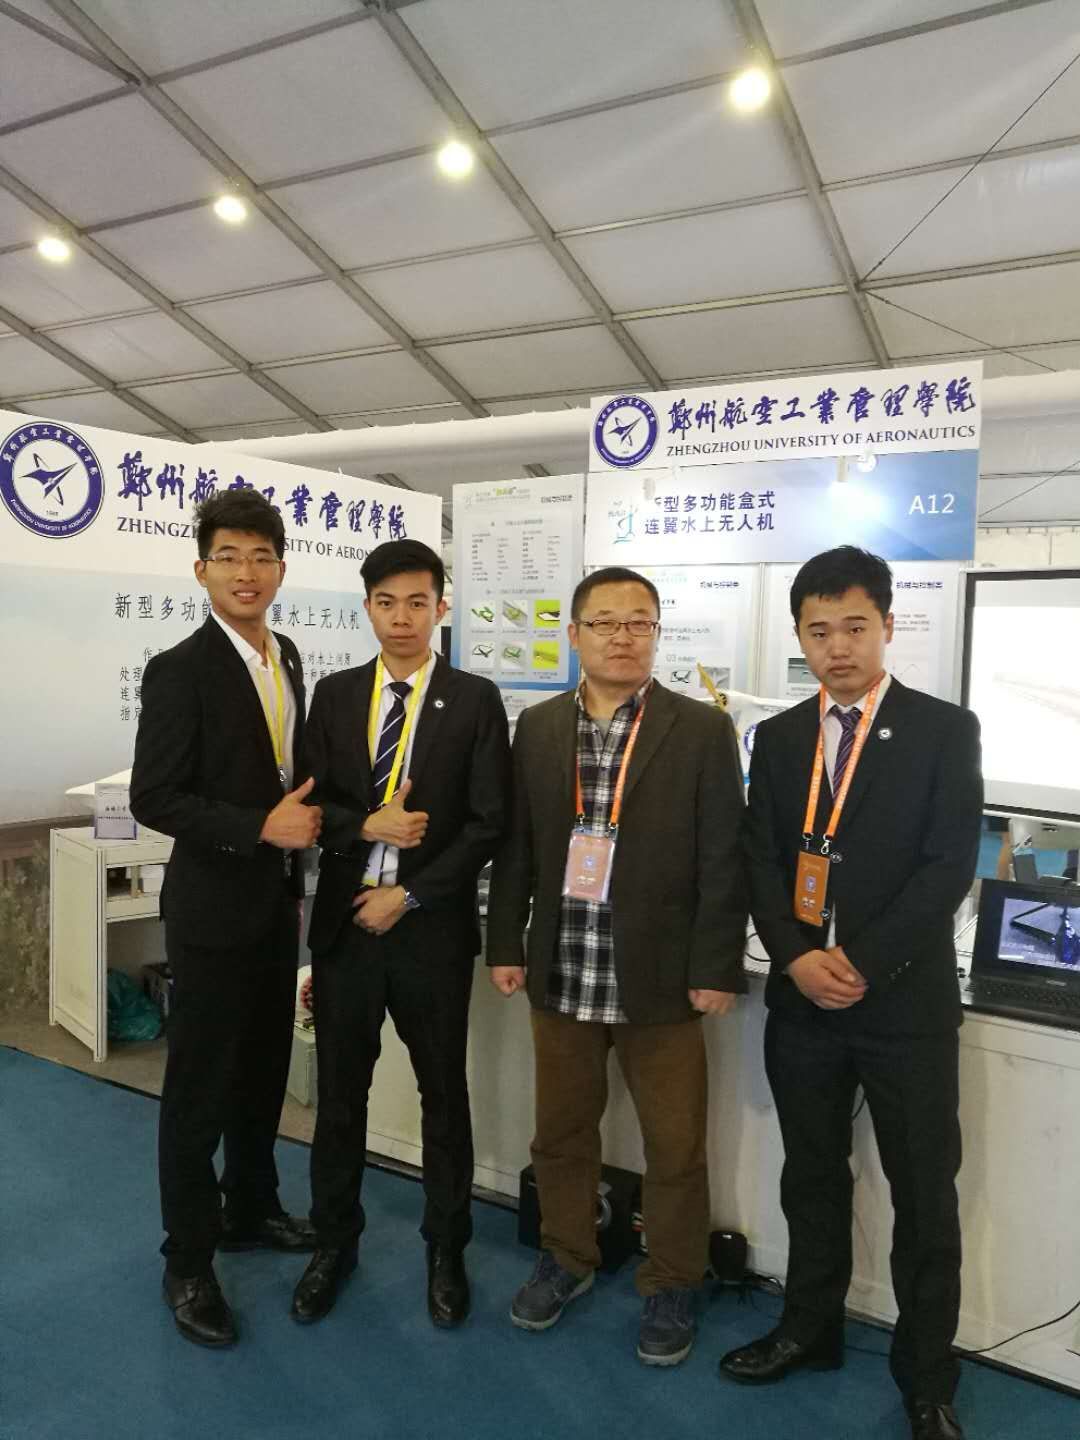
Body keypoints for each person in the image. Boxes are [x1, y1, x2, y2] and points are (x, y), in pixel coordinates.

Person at [720, 547, 983, 1440]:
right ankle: (810, 1329)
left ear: (888, 627)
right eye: (819, 630)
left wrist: (862, 961)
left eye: (855, 627)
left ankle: (927, 1377)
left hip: (904, 1006)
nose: (837, 647)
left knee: (925, 1196)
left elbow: (947, 866)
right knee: (810, 1176)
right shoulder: (781, 737)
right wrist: (795, 959)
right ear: (800, 634)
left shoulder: (944, 730)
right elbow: (759, 859)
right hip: (803, 1003)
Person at [486, 565, 747, 1367]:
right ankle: (567, 1255)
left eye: (639, 622)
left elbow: (724, 858)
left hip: (661, 977)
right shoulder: (537, 728)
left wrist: (716, 965)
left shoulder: (700, 730)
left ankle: (672, 1279)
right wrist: (505, 944)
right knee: (561, 1132)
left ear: (657, 634)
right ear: (574, 635)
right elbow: (518, 846)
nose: (622, 637)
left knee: (675, 1144)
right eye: (604, 622)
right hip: (563, 965)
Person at [291, 538, 510, 1329]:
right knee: (339, 1098)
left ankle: (446, 1249)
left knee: (442, 1095)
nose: (402, 618)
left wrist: (409, 895)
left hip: (428, 931)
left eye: (418, 602)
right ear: (368, 609)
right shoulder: (336, 695)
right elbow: (312, 805)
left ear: (440, 608)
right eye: (387, 603)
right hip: (347, 927)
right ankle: (333, 1243)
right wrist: (366, 825)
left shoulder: (474, 699)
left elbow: (488, 823)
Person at [130, 489, 321, 1349]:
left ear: (281, 568)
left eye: (262, 557)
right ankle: (188, 1260)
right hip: (211, 910)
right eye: (230, 557)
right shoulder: (181, 668)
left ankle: (251, 1206)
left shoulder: (287, 655)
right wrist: (257, 828)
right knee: (198, 1090)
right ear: (201, 569)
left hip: (276, 906)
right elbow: (156, 795)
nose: (248, 573)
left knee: (261, 1070)